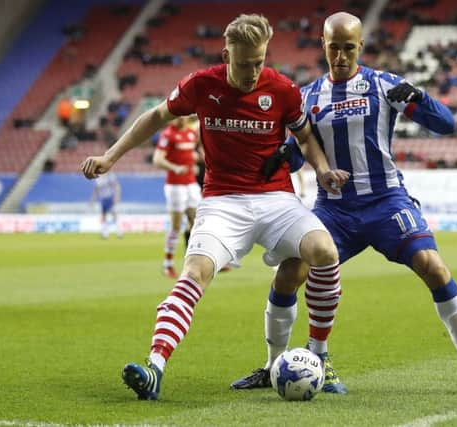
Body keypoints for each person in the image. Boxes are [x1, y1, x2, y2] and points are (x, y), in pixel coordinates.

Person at [232, 11, 457, 397]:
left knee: (434, 267)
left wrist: (419, 98)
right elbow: (300, 154)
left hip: (385, 202)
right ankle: (275, 365)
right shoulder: (308, 97)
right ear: (323, 47)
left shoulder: (383, 85)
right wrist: (282, 156)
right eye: (333, 48)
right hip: (334, 209)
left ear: (360, 46)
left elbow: (446, 124)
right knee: (290, 271)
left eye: (348, 48)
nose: (340, 56)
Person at [80, 13, 349, 401]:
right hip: (222, 201)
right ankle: (155, 366)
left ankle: (319, 356)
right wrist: (110, 156)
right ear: (226, 55)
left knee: (324, 252)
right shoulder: (202, 84)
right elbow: (157, 115)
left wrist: (322, 170)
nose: (253, 72)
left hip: (277, 200)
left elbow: (305, 137)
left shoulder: (284, 89)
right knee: (195, 273)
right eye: (244, 64)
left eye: (259, 61)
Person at [152, 115, 201, 278]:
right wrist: (175, 167)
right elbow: (158, 159)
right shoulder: (167, 135)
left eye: (184, 116)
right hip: (175, 186)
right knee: (176, 226)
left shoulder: (191, 133)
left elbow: (193, 152)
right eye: (178, 117)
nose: (181, 119)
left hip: (191, 183)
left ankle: (198, 262)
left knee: (198, 222)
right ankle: (167, 263)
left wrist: (194, 162)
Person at [91, 172, 123, 239]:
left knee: (113, 215)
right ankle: (105, 234)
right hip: (103, 199)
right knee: (104, 216)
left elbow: (116, 186)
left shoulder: (109, 177)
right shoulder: (98, 178)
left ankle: (119, 232)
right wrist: (93, 200)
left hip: (109, 198)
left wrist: (117, 197)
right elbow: (96, 190)